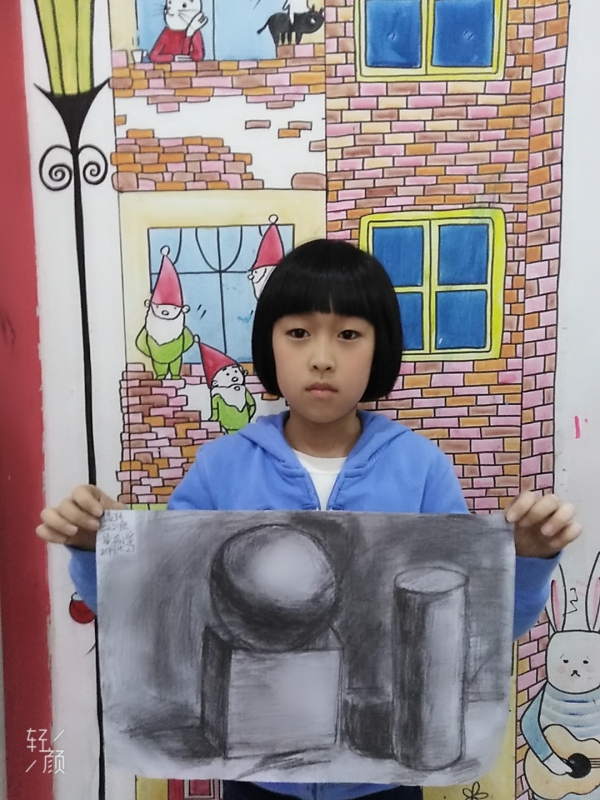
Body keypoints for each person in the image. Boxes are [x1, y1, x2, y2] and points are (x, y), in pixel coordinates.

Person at [38, 239, 581, 800]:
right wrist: (96, 548)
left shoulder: (421, 467)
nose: (322, 357)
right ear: (268, 345)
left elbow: (476, 626)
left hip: (384, 782)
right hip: (256, 782)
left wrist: (528, 559)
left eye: (349, 334)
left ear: (380, 348)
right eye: (298, 332)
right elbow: (148, 609)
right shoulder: (221, 466)